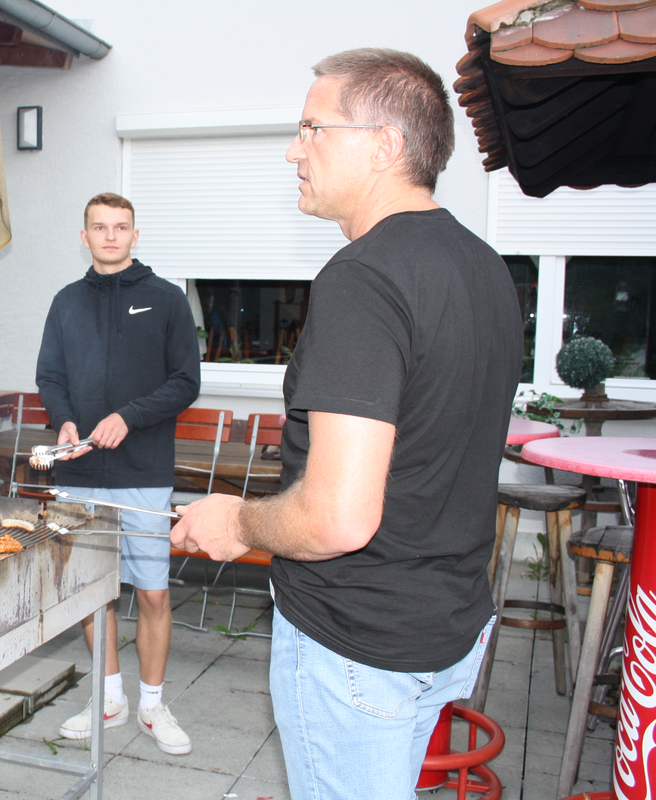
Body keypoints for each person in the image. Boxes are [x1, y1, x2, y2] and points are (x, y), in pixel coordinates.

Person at [170, 49, 523, 797]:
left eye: (312, 128)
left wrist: (237, 521)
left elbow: (336, 518)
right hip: (451, 621)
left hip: (358, 640)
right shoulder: (486, 267)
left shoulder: (363, 279)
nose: (294, 149)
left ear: (384, 145)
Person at [36, 192, 201, 755]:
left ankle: (153, 705)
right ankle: (109, 698)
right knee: (90, 594)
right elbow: (50, 376)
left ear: (135, 235)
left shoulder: (167, 300)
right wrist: (62, 422)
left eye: (121, 227)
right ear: (84, 237)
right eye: (99, 227)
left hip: (143, 471)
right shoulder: (65, 302)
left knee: (152, 594)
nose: (110, 236)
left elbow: (185, 382)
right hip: (78, 476)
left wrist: (128, 418)